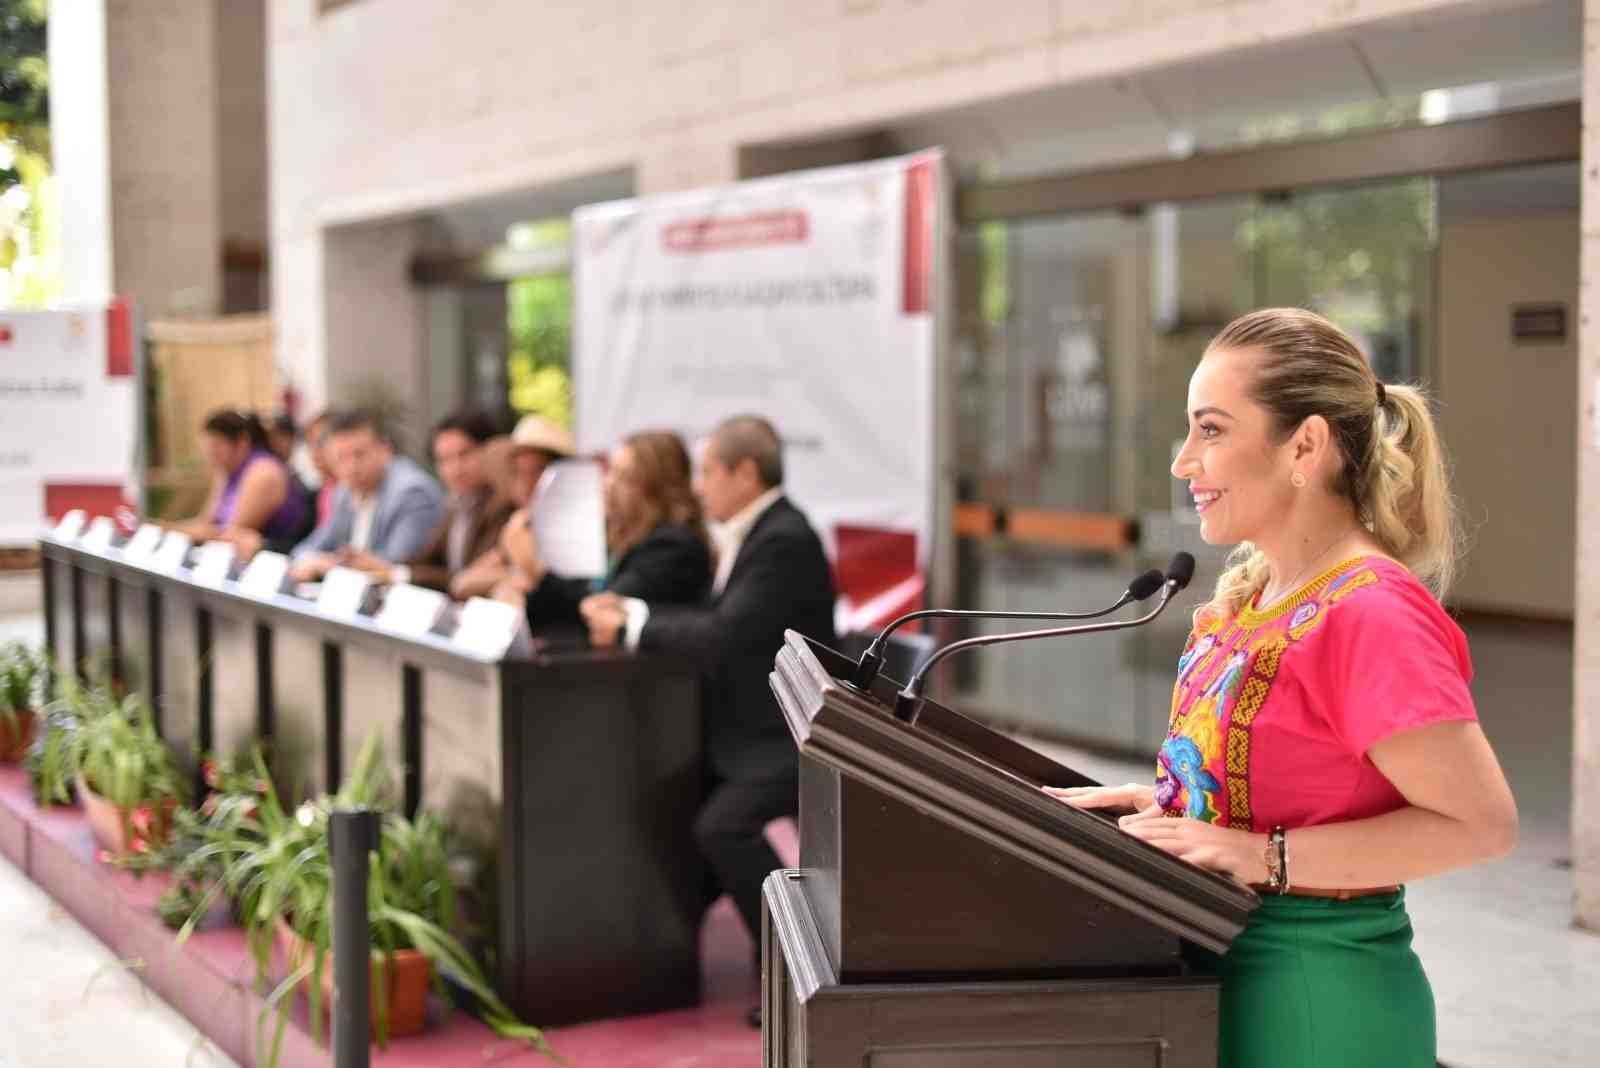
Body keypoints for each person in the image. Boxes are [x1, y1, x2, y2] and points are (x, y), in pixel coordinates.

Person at [1046, 308, 1517, 1068]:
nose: (1184, 462)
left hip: (1313, 1001)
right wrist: (1180, 807)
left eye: (1212, 430)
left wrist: (1260, 854)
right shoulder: (1259, 589)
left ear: (1305, 444)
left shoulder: (1371, 611)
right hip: (1220, 968)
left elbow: (1480, 825)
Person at [579, 415, 835, 1021]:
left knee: (723, 827)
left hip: (785, 733)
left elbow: (728, 635)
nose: (698, 488)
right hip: (744, 726)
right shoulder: (757, 531)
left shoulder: (783, 538)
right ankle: (663, 956)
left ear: (745, 473)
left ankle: (795, 964)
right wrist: (636, 609)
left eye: (709, 472)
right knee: (672, 803)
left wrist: (635, 624)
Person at [504, 430, 711, 629]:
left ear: (656, 488)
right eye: (611, 471)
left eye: (624, 477)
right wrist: (523, 595)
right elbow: (570, 597)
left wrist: (538, 569)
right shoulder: (619, 534)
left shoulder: (673, 546)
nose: (608, 484)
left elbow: (603, 611)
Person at [341, 410, 514, 592]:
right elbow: (428, 561)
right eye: (444, 460)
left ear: (490, 450)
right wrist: (383, 568)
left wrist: (394, 573)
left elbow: (464, 577)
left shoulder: (504, 506)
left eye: (464, 454)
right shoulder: (458, 503)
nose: (455, 469)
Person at [289, 410, 446, 581]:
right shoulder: (344, 492)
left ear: (385, 450)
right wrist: (318, 561)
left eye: (359, 454)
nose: (352, 466)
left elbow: (395, 565)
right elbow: (307, 549)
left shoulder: (412, 493)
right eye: (341, 458)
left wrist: (331, 564)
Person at [447, 413, 573, 601]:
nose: (528, 484)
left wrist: (524, 574)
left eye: (538, 471)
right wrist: (512, 576)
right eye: (520, 473)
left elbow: (564, 590)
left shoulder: (574, 526)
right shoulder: (521, 523)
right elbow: (462, 583)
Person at [168, 409, 313, 556]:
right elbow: (207, 522)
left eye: (216, 448)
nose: (211, 457)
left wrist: (171, 529)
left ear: (242, 442)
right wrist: (168, 528)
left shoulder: (263, 471)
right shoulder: (226, 470)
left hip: (277, 558)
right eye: (208, 450)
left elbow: (230, 534)